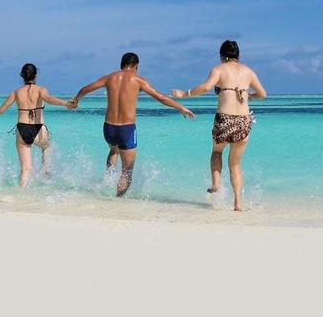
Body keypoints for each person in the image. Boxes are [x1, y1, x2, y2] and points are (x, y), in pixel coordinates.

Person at [70, 52, 195, 197]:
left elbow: (85, 89)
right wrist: (181, 107)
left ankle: (107, 182)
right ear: (136, 66)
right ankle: (118, 200)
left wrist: (76, 100)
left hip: (108, 128)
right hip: (126, 130)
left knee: (114, 150)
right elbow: (160, 97)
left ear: (121, 65)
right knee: (127, 170)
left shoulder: (109, 78)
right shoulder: (138, 80)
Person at [172, 39, 268, 212]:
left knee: (217, 152)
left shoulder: (218, 69)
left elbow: (206, 87)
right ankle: (238, 203)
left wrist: (184, 94)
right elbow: (263, 94)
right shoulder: (248, 71)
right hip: (244, 120)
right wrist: (248, 96)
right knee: (235, 164)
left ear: (221, 55)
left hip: (224, 118)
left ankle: (216, 184)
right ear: (238, 55)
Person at [0, 62, 73, 188]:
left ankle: (21, 193)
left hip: (22, 128)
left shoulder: (16, 92)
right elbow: (50, 99)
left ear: (22, 76)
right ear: (36, 75)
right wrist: (66, 103)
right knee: (47, 147)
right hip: (39, 128)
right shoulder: (41, 90)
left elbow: (1, 109)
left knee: (26, 169)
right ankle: (46, 173)